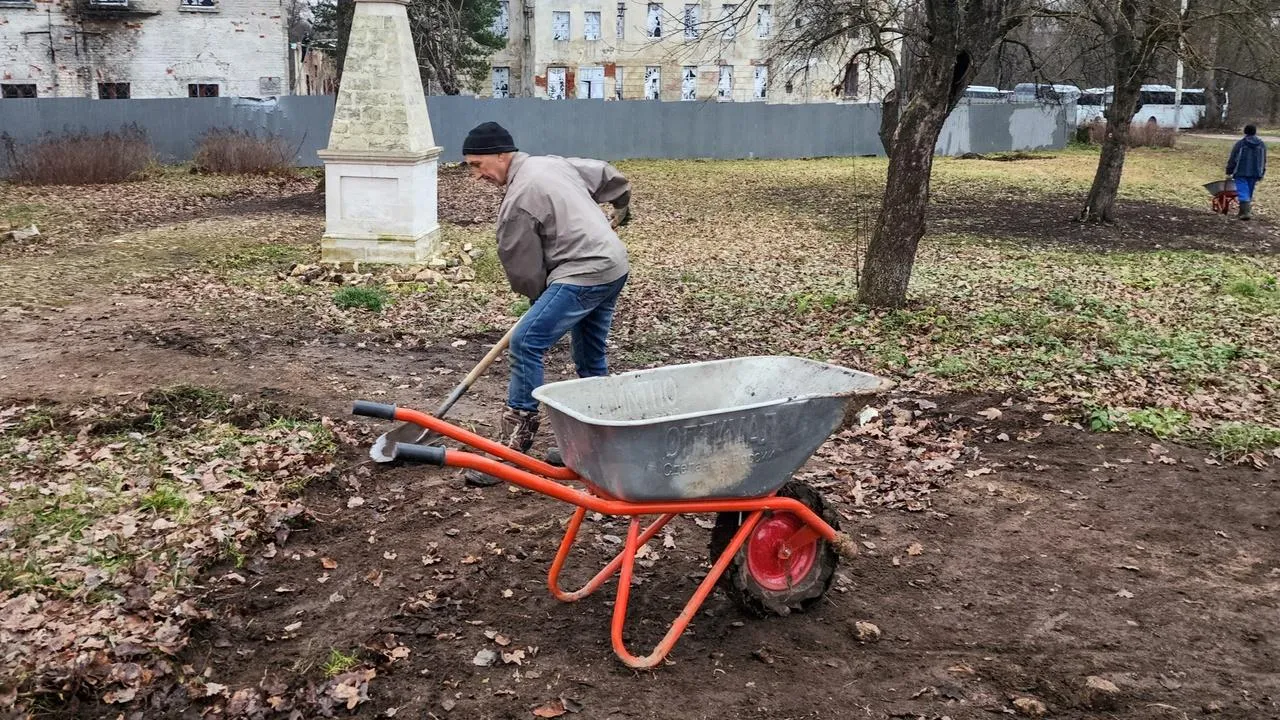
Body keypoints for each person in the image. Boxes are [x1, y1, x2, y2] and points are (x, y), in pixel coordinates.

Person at [459, 121, 632, 487]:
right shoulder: (550, 163)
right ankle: (598, 446)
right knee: (589, 355)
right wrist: (622, 206)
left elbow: (523, 269)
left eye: (478, 165)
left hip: (584, 272)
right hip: (613, 266)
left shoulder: (519, 199)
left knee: (527, 341)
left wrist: (538, 301)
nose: (476, 176)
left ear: (502, 156)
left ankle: (513, 448)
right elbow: (606, 174)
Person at [1227, 124, 1266, 220]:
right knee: (1249, 192)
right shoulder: (1261, 144)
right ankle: (1243, 211)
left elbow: (1233, 158)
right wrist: (1262, 171)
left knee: (1243, 191)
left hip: (1241, 171)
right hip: (1255, 171)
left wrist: (1229, 170)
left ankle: (1245, 212)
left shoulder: (1241, 143)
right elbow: (1264, 159)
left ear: (1245, 132)